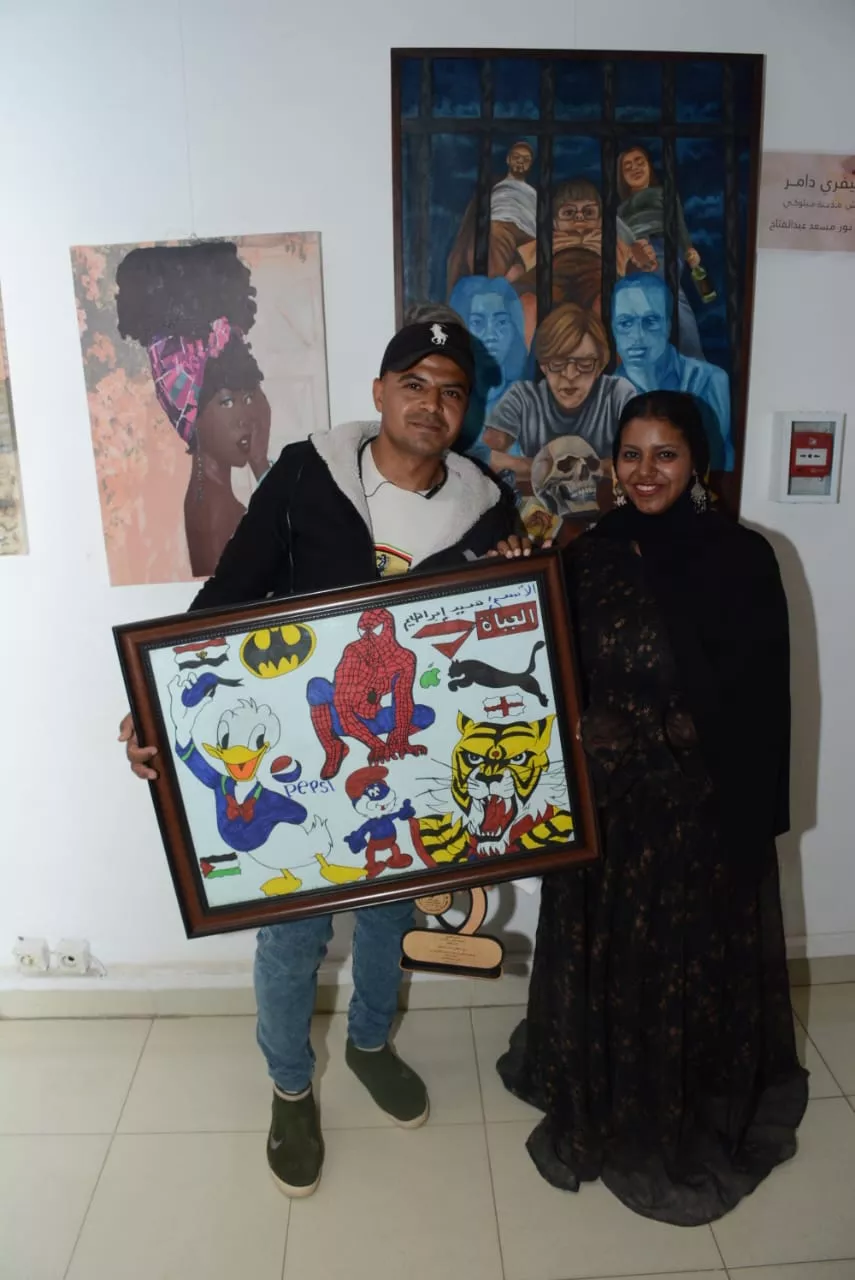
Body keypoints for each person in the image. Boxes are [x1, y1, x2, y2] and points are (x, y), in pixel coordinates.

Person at [119, 320, 527, 1200]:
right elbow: (231, 589)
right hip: (305, 750)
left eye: (450, 390)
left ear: (465, 409)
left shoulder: (487, 507)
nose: (430, 404)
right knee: (291, 933)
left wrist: (522, 573)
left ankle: (371, 1045)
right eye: (413, 383)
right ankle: (290, 1088)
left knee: (387, 917)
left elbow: (501, 628)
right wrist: (157, 698)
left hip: (405, 754)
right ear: (379, 392)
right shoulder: (308, 471)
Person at [495, 390, 808, 1227]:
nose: (643, 472)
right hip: (608, 802)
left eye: (664, 454)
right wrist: (515, 587)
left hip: (695, 806)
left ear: (695, 462)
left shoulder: (741, 557)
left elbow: (759, 699)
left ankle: (673, 1101)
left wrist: (686, 741)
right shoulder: (587, 552)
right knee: (608, 944)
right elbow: (548, 668)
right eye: (629, 455)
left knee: (677, 955)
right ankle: (600, 1088)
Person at [115, 243, 272, 578]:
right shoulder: (218, 518)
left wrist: (262, 464)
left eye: (248, 397)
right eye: (226, 402)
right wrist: (260, 466)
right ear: (191, 416)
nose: (245, 417)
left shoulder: (214, 500)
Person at [481, 303, 635, 487]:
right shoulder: (523, 398)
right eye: (558, 362)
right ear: (543, 365)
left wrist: (547, 470)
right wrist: (553, 468)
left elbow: (639, 457)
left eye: (584, 363)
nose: (570, 375)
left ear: (599, 367)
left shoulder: (617, 395)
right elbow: (484, 456)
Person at [611, 274, 733, 470]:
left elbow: (718, 463)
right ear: (613, 328)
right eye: (625, 323)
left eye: (650, 321)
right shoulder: (605, 395)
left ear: (668, 325)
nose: (637, 335)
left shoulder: (711, 381)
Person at [617, 145, 706, 359]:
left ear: (649, 166)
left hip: (660, 247)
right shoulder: (620, 209)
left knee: (668, 296)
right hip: (632, 257)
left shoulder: (662, 193)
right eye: (627, 166)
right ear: (621, 176)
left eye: (639, 162)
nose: (635, 168)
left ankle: (692, 357)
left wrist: (688, 249)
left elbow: (678, 224)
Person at [510, 178, 651, 308]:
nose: (579, 217)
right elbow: (520, 265)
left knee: (605, 299)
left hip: (595, 276)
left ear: (600, 220)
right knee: (528, 300)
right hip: (551, 275)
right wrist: (506, 282)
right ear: (555, 222)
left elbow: (632, 266)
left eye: (588, 212)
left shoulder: (607, 240)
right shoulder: (550, 239)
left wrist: (641, 259)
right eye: (568, 213)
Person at [447, 141, 538, 293]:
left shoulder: (534, 193)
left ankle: (492, 289)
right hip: (498, 227)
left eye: (526, 159)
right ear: (508, 159)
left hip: (527, 235)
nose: (520, 162)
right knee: (485, 244)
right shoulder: (495, 186)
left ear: (530, 164)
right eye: (516, 157)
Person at [449, 276, 530, 415]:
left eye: (501, 322)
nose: (491, 335)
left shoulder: (526, 402)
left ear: (513, 329)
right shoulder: (448, 397)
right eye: (477, 323)